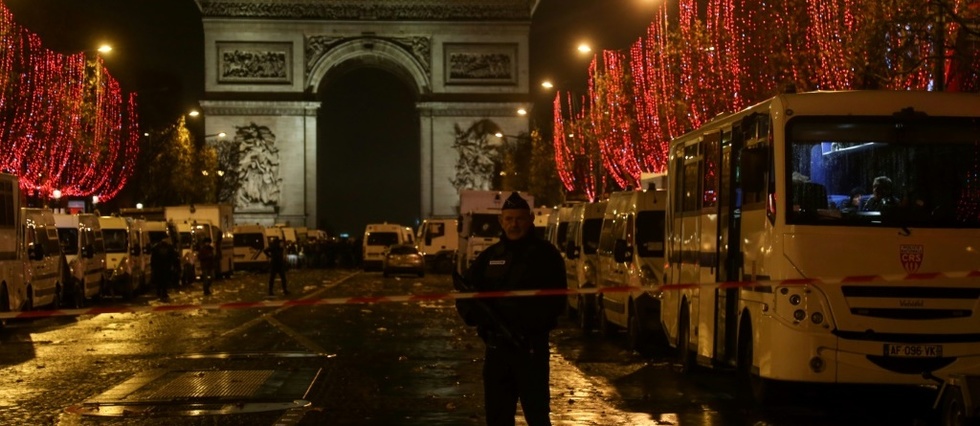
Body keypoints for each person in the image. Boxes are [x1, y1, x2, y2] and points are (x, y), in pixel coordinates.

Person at [455, 192, 566, 426]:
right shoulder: (489, 257)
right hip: (497, 349)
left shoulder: (546, 255)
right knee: (497, 416)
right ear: (501, 221)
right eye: (509, 219)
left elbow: (557, 300)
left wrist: (529, 324)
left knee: (537, 416)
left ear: (531, 219)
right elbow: (466, 296)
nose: (514, 224)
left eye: (519, 219)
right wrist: (478, 318)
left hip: (531, 348)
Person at [150, 237, 178, 301]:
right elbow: (173, 257)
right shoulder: (169, 247)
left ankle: (160, 292)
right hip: (165, 267)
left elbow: (153, 258)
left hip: (159, 267)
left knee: (160, 280)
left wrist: (153, 266)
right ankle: (163, 292)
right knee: (164, 280)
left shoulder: (156, 247)